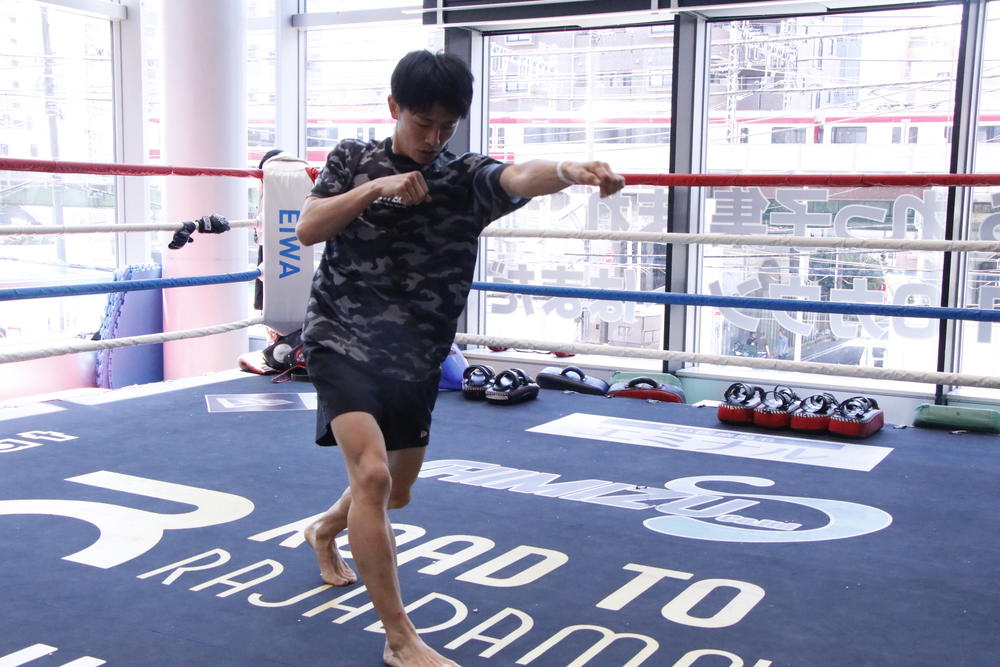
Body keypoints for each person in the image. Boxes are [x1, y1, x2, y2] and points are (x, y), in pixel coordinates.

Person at [295, 50, 625, 667]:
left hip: (417, 355)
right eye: (422, 123)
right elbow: (309, 228)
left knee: (395, 492)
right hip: (340, 337)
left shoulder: (462, 177)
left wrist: (568, 169)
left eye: (446, 127)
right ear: (394, 108)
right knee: (371, 476)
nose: (433, 139)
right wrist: (375, 188)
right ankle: (400, 640)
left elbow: (516, 176)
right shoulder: (352, 158)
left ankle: (324, 528)